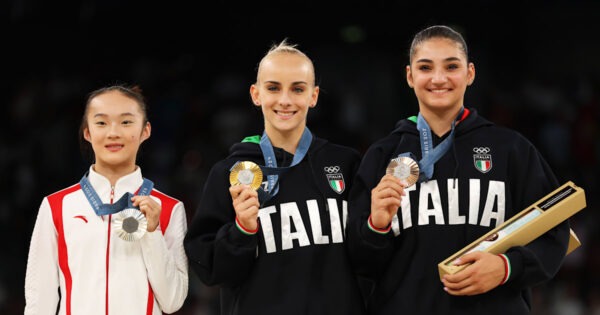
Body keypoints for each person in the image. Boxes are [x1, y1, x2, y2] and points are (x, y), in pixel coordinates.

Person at [345, 25, 571, 315]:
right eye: (425, 67)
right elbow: (359, 263)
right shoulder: (380, 156)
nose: (439, 78)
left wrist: (507, 266)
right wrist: (375, 226)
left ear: (470, 73)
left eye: (451, 66)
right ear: (410, 76)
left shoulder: (511, 149)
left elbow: (554, 231)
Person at [184, 39, 366, 315]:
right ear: (256, 94)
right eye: (273, 88)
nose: (285, 100)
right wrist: (242, 230)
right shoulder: (228, 173)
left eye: (297, 88)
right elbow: (210, 271)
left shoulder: (345, 163)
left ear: (313, 96)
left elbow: (369, 258)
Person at [24, 84, 189, 314]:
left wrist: (153, 234)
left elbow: (173, 301)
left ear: (146, 131)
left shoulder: (169, 209)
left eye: (126, 122)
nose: (113, 133)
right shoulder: (56, 206)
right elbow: (39, 298)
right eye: (101, 123)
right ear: (87, 132)